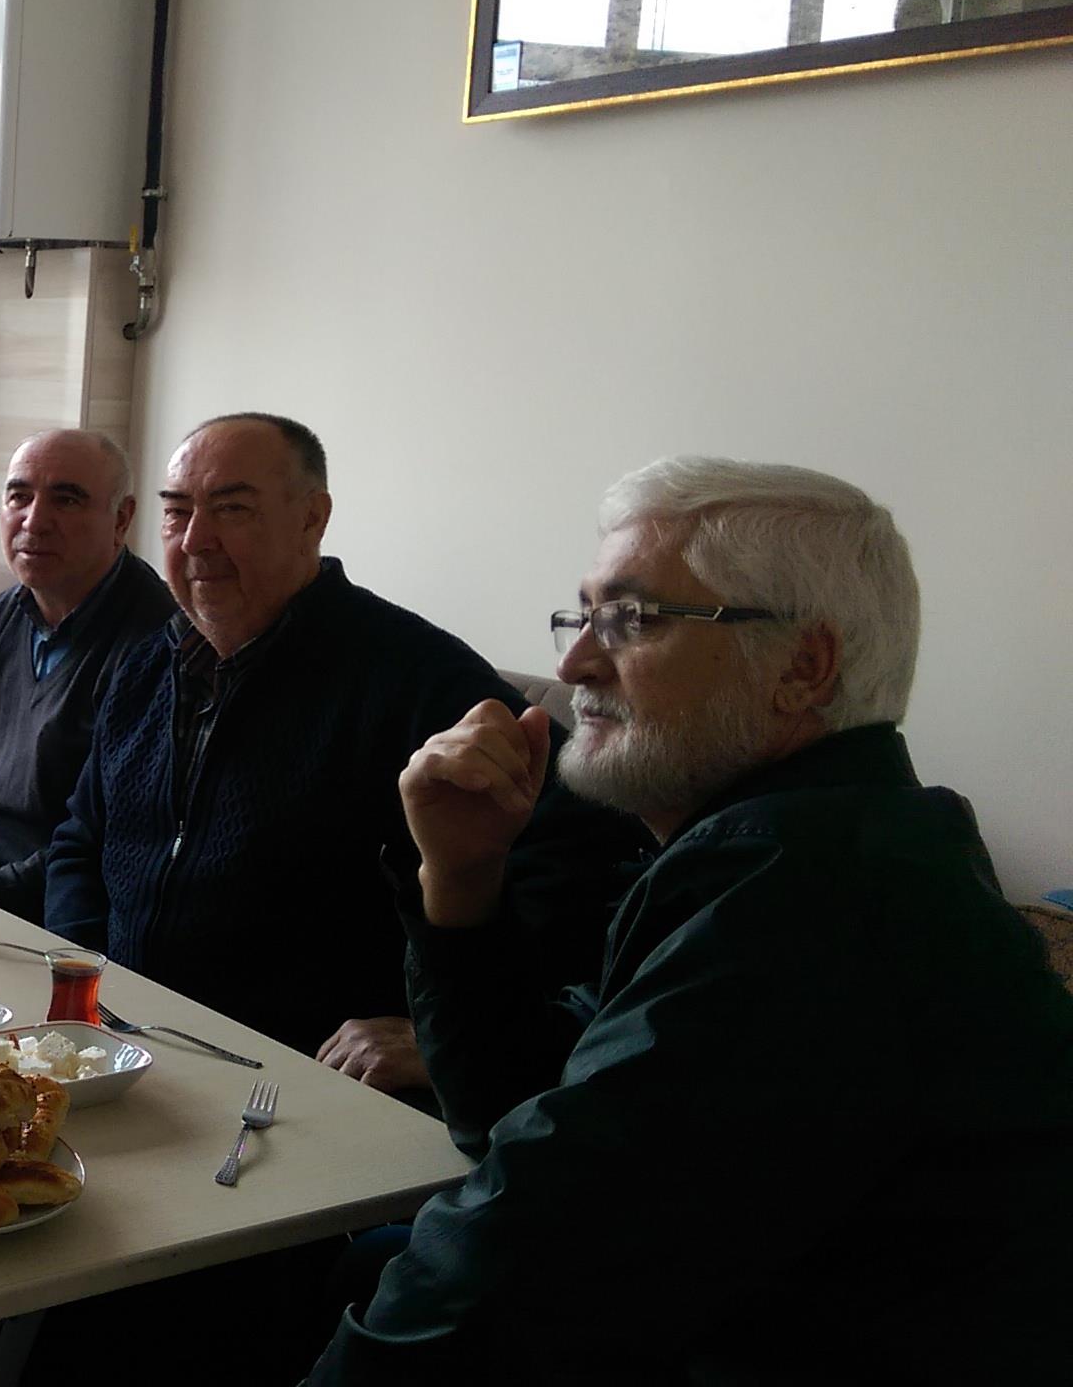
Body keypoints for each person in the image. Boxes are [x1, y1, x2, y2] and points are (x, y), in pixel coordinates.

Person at [313, 458, 1073, 1382]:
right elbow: (513, 1115)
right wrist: (462, 881)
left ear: (803, 667)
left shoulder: (819, 902)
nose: (573, 665)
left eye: (632, 619)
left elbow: (521, 1268)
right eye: (583, 616)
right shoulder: (779, 852)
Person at [43, 414, 636, 1089]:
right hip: (126, 1047)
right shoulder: (147, 665)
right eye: (177, 512)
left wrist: (440, 1030)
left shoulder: (416, 678)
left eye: (232, 509)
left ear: (312, 518)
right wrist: (89, 977)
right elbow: (80, 839)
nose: (195, 539)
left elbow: (585, 861)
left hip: (295, 1081)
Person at [0, 430, 174, 915]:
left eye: (67, 499)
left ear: (121, 518)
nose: (35, 521)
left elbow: (98, 839)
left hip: (55, 911)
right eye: (19, 496)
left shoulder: (155, 645)